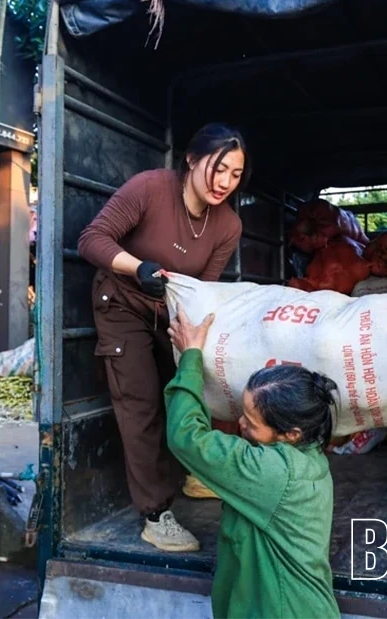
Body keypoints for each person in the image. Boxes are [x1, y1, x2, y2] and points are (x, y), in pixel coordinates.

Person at [77, 123, 249, 552]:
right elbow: (90, 239)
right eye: (218, 168)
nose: (225, 182)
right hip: (121, 302)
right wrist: (136, 268)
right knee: (141, 403)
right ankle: (155, 514)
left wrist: (194, 343)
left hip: (171, 309)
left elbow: (204, 288)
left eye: (235, 174)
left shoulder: (228, 225)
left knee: (194, 384)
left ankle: (196, 473)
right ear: (191, 159)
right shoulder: (149, 188)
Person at [165, 306, 341, 619]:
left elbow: (187, 437)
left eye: (251, 421)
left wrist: (190, 357)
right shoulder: (309, 457)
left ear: (289, 433)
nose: (241, 424)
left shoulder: (271, 473)